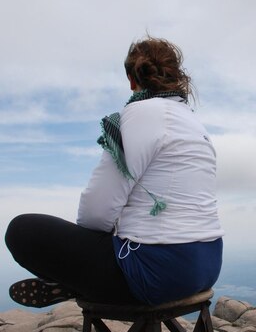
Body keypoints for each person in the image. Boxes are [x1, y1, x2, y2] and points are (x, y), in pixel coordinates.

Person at [5, 37, 224, 308]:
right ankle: (76, 283)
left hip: (156, 275)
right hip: (207, 266)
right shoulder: (194, 123)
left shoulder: (139, 114)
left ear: (132, 80)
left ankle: (71, 284)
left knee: (22, 230)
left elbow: (95, 213)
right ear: (176, 76)